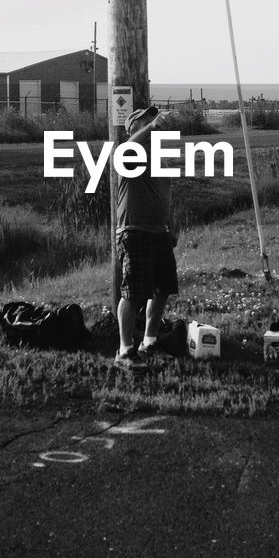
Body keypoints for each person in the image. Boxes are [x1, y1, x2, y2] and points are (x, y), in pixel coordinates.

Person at [115, 104, 179, 369]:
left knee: (162, 290)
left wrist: (171, 225)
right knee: (132, 293)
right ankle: (125, 351)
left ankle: (149, 342)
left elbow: (164, 197)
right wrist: (153, 127)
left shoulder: (159, 160)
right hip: (134, 231)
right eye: (147, 122)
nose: (153, 125)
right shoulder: (129, 155)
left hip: (158, 232)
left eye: (154, 121)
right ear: (134, 129)